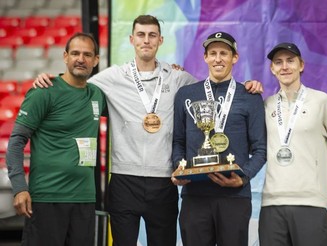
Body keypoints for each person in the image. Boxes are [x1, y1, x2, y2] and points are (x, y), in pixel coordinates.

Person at [33, 15, 263, 246]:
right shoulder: (112, 77)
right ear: (132, 39)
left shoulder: (179, 79)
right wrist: (50, 79)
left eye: (152, 35)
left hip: (163, 182)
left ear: (160, 40)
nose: (146, 40)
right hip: (124, 179)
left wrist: (250, 86)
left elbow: (213, 88)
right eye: (141, 35)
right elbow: (77, 82)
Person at [6, 32, 106, 246]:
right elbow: (16, 142)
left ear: (96, 60)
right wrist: (19, 187)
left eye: (87, 54)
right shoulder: (44, 91)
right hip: (46, 198)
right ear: (65, 57)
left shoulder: (97, 94)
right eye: (75, 53)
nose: (81, 59)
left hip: (84, 199)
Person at [171, 31, 267, 246]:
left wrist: (243, 178)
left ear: (235, 58)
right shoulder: (186, 95)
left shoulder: (249, 96)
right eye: (212, 53)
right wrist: (179, 167)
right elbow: (178, 141)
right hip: (194, 196)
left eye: (224, 53)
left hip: (235, 197)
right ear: (205, 58)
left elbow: (261, 148)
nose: (218, 58)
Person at [258, 42, 327, 246]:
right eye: (278, 62)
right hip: (271, 205)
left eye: (290, 61)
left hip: (310, 203)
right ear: (272, 69)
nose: (284, 66)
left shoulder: (320, 101)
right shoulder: (267, 105)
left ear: (301, 65)